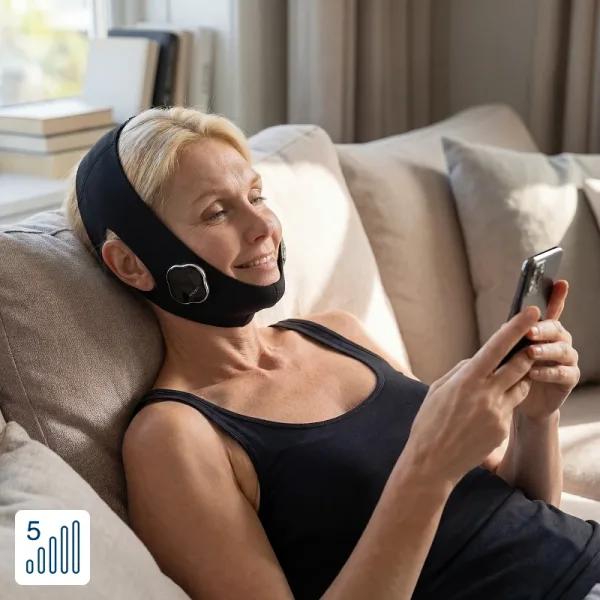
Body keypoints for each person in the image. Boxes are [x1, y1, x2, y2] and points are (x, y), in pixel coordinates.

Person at [64, 106, 600, 600]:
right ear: (131, 263)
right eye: (216, 213)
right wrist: (428, 467)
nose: (263, 228)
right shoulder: (173, 436)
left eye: (256, 196)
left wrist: (537, 418)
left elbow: (518, 510)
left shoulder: (338, 332)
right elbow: (435, 482)